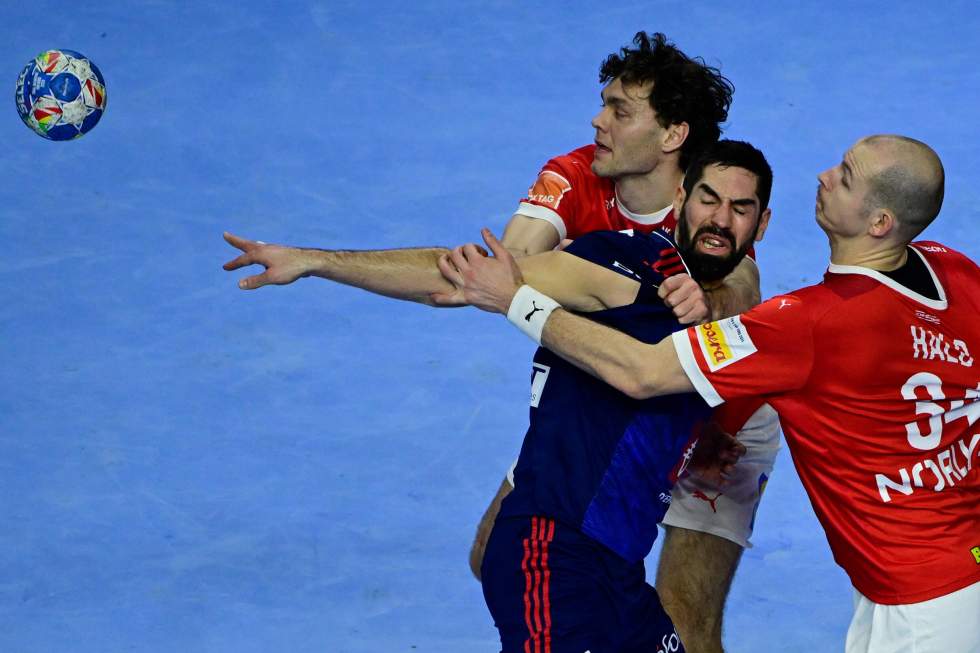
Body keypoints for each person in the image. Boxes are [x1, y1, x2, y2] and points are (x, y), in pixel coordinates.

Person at [224, 139, 777, 652]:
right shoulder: (622, 264)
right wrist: (317, 261)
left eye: (740, 208)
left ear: (762, 224)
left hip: (619, 571)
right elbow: (461, 277)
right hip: (551, 552)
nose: (720, 220)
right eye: (708, 199)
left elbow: (737, 297)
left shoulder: (734, 304)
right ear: (680, 197)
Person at [442, 134, 980, 653]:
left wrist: (518, 301)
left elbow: (643, 373)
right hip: (944, 571)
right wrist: (718, 428)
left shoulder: (810, 321)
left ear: (880, 222)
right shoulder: (952, 270)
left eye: (845, 175)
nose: (824, 175)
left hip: (922, 601)